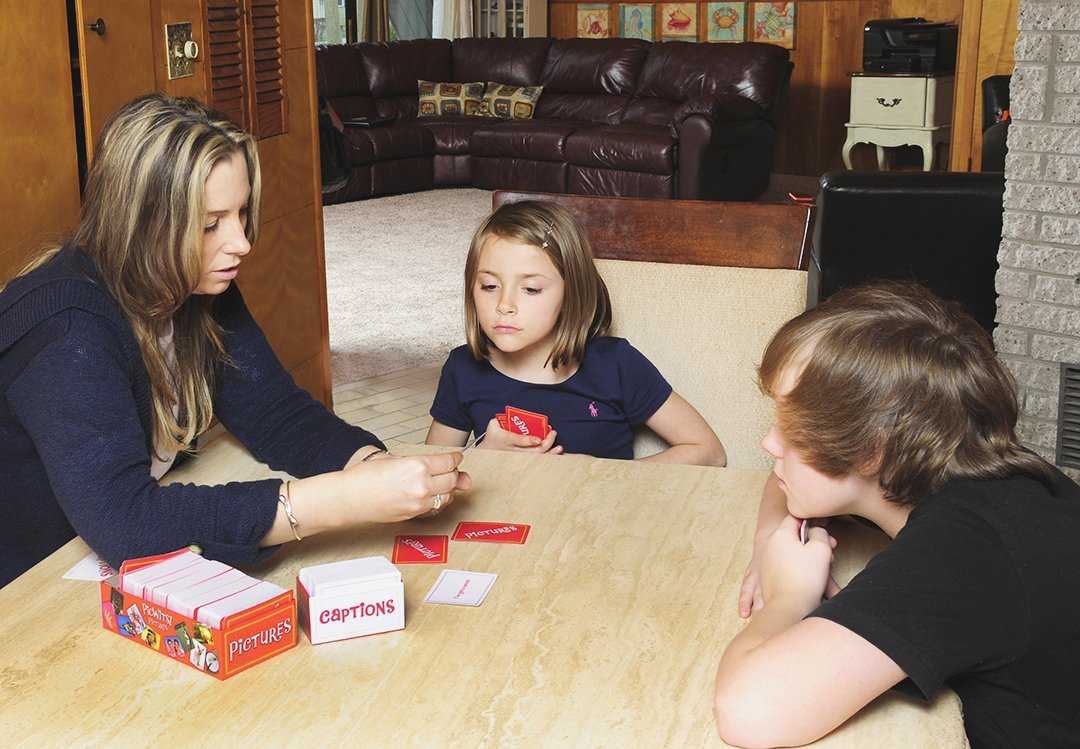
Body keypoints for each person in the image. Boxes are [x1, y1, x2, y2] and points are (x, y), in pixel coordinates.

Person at [0, 93, 469, 588]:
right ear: (139, 224)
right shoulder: (68, 330)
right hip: (26, 592)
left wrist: (375, 468)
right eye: (210, 224)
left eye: (241, 213)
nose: (241, 242)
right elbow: (127, 523)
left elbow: (274, 412)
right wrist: (342, 500)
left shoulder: (194, 278)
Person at [714, 282, 1080, 747]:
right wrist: (773, 541)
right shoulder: (958, 463)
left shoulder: (963, 550)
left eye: (794, 429)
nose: (770, 444)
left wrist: (789, 593)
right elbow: (782, 478)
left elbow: (750, 711)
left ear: (871, 451)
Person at [425, 200, 726, 465]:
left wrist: (600, 474)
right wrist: (484, 457)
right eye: (489, 286)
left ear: (572, 294)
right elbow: (427, 477)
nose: (504, 305)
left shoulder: (616, 365)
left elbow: (708, 450)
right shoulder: (462, 368)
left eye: (530, 289)